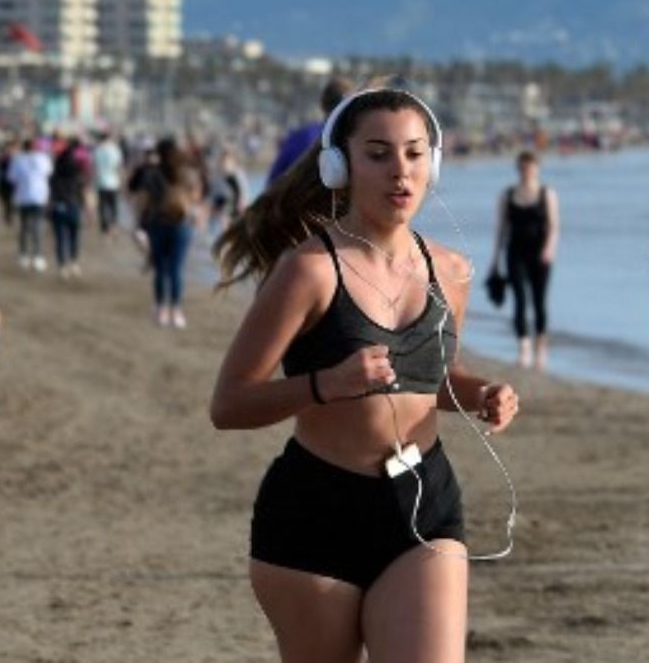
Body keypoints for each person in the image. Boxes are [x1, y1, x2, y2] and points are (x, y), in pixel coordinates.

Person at [209, 85, 519, 662]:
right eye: (378, 154)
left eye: (414, 153)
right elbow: (228, 404)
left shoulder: (449, 271)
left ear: (434, 163)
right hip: (315, 515)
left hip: (423, 504)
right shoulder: (307, 271)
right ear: (339, 166)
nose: (399, 171)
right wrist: (327, 385)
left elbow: (437, 377)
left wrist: (484, 394)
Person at [490, 150, 560, 370]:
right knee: (520, 300)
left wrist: (549, 249)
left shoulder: (547, 193)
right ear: (518, 168)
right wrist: (495, 260)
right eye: (522, 167)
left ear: (537, 168)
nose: (526, 171)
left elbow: (554, 227)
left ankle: (541, 349)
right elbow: (501, 229)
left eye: (530, 167)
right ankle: (524, 349)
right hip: (515, 253)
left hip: (540, 254)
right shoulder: (507, 195)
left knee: (539, 302)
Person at [138, 137, 201, 328]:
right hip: (182, 224)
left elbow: (145, 200)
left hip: (158, 223)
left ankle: (161, 310)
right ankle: (177, 311)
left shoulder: (152, 174)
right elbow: (196, 197)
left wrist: (141, 222)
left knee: (160, 269)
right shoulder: (187, 173)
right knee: (176, 269)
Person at [265, 76, 354, 186]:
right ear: (350, 107)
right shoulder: (354, 141)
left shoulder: (297, 138)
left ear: (322, 105)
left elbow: (272, 183)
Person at [6, 138, 52, 272]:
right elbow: (49, 173)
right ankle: (38, 256)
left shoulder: (17, 160)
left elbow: (11, 178)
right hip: (40, 196)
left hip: (23, 197)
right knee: (37, 226)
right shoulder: (43, 159)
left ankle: (24, 255)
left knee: (24, 226)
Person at [49, 136, 90, 278]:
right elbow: (84, 192)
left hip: (59, 206)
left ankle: (62, 266)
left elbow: (50, 193)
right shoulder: (78, 174)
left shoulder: (54, 175)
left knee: (60, 238)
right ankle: (74, 263)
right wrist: (88, 209)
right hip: (74, 206)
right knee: (74, 237)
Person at [92, 130, 125, 236]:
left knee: (102, 204)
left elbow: (94, 166)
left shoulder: (97, 150)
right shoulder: (115, 149)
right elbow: (118, 166)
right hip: (113, 181)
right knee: (113, 204)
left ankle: (104, 225)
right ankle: (113, 223)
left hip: (101, 181)